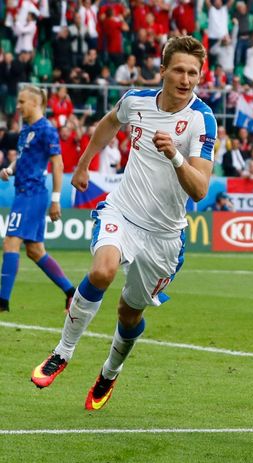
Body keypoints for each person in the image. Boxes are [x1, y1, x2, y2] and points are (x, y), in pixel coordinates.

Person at [30, 36, 217, 411]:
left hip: (165, 236)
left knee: (129, 314)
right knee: (102, 272)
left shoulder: (202, 119)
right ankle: (62, 353)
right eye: (178, 70)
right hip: (123, 212)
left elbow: (199, 190)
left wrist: (176, 157)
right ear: (162, 69)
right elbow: (109, 122)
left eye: (193, 73)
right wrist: (83, 164)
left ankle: (109, 374)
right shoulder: (137, 101)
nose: (186, 79)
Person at [0, 85, 76, 312]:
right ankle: (71, 293)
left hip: (33, 193)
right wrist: (10, 169)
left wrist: (55, 199)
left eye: (22, 102)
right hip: (24, 191)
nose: (19, 106)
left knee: (10, 242)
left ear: (35, 103)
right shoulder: (26, 129)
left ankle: (2, 302)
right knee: (34, 251)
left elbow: (57, 164)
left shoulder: (47, 129)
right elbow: (23, 157)